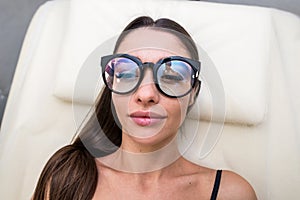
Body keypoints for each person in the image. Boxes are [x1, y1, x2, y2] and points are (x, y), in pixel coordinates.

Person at [32, 16, 257, 200]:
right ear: (111, 87)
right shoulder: (68, 177)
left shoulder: (230, 193)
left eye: (170, 75)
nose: (146, 95)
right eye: (127, 73)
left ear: (193, 94)